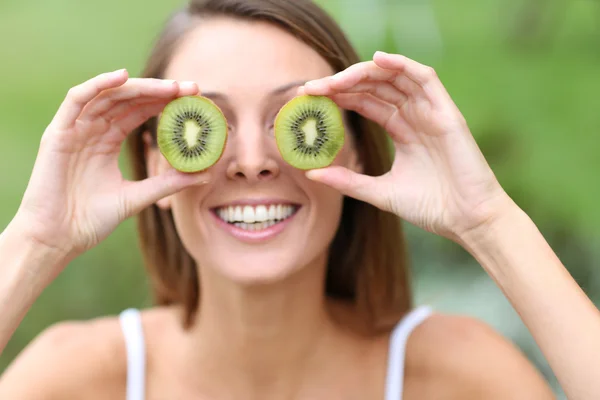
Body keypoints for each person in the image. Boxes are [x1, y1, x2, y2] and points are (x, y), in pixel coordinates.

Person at [0, 0, 598, 399]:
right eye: (211, 123)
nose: (255, 158)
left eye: (294, 118)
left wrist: (489, 220)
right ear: (156, 163)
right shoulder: (79, 379)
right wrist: (35, 241)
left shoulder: (454, 376)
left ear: (355, 154)